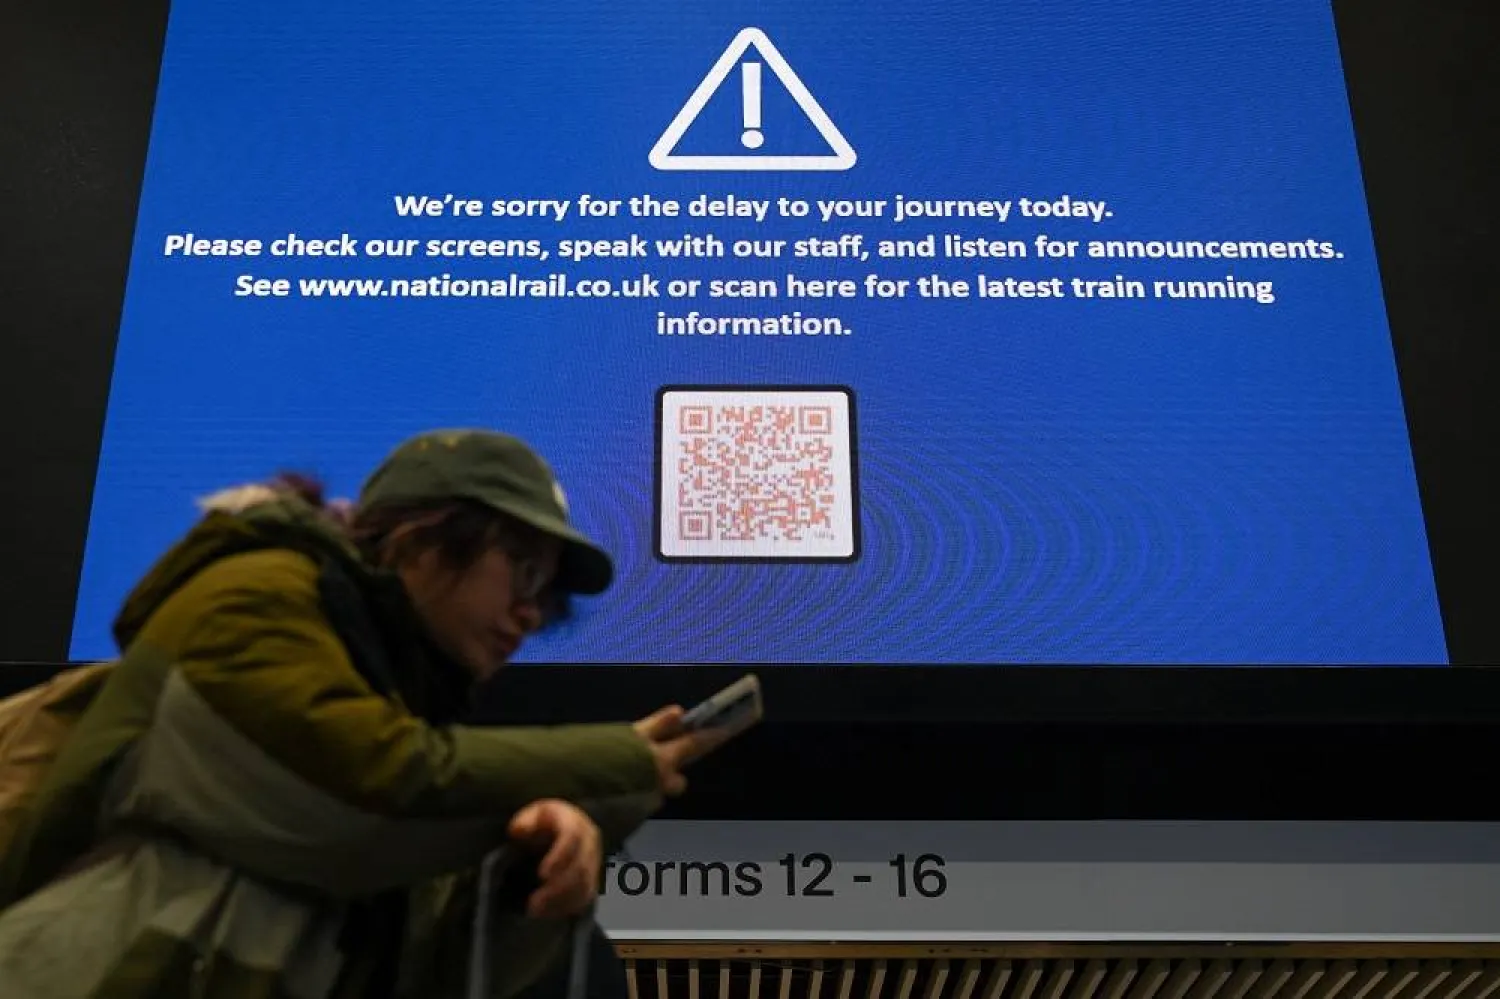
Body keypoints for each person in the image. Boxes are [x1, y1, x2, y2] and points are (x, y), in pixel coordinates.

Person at [0, 429, 718, 998]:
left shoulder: (391, 696)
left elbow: (425, 964)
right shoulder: (254, 591)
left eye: (548, 596)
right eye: (522, 570)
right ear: (420, 539)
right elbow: (366, 789)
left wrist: (529, 864)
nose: (531, 614)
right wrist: (617, 762)